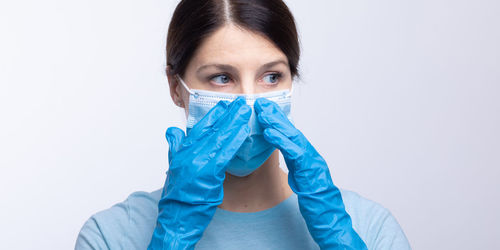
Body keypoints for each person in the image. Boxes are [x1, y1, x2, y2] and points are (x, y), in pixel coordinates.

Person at [75, 0, 411, 249]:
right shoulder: (111, 235)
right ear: (176, 87)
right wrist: (170, 241)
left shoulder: (370, 227)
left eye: (270, 76)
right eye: (222, 78)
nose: (248, 100)